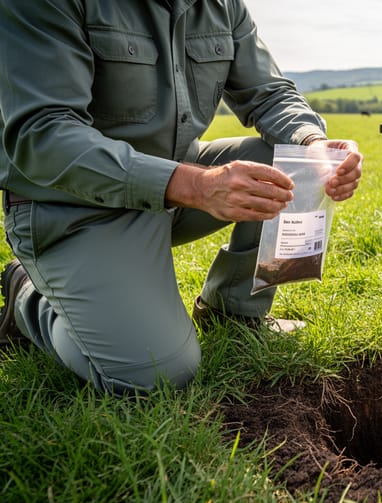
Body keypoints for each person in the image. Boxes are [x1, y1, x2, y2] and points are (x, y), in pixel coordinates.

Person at [0, 0, 363, 395]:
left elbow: (270, 92)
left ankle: (233, 313)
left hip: (175, 186)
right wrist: (196, 186)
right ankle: (28, 297)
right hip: (75, 207)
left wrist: (312, 145)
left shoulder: (221, 5)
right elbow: (44, 135)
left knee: (281, 161)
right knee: (155, 374)